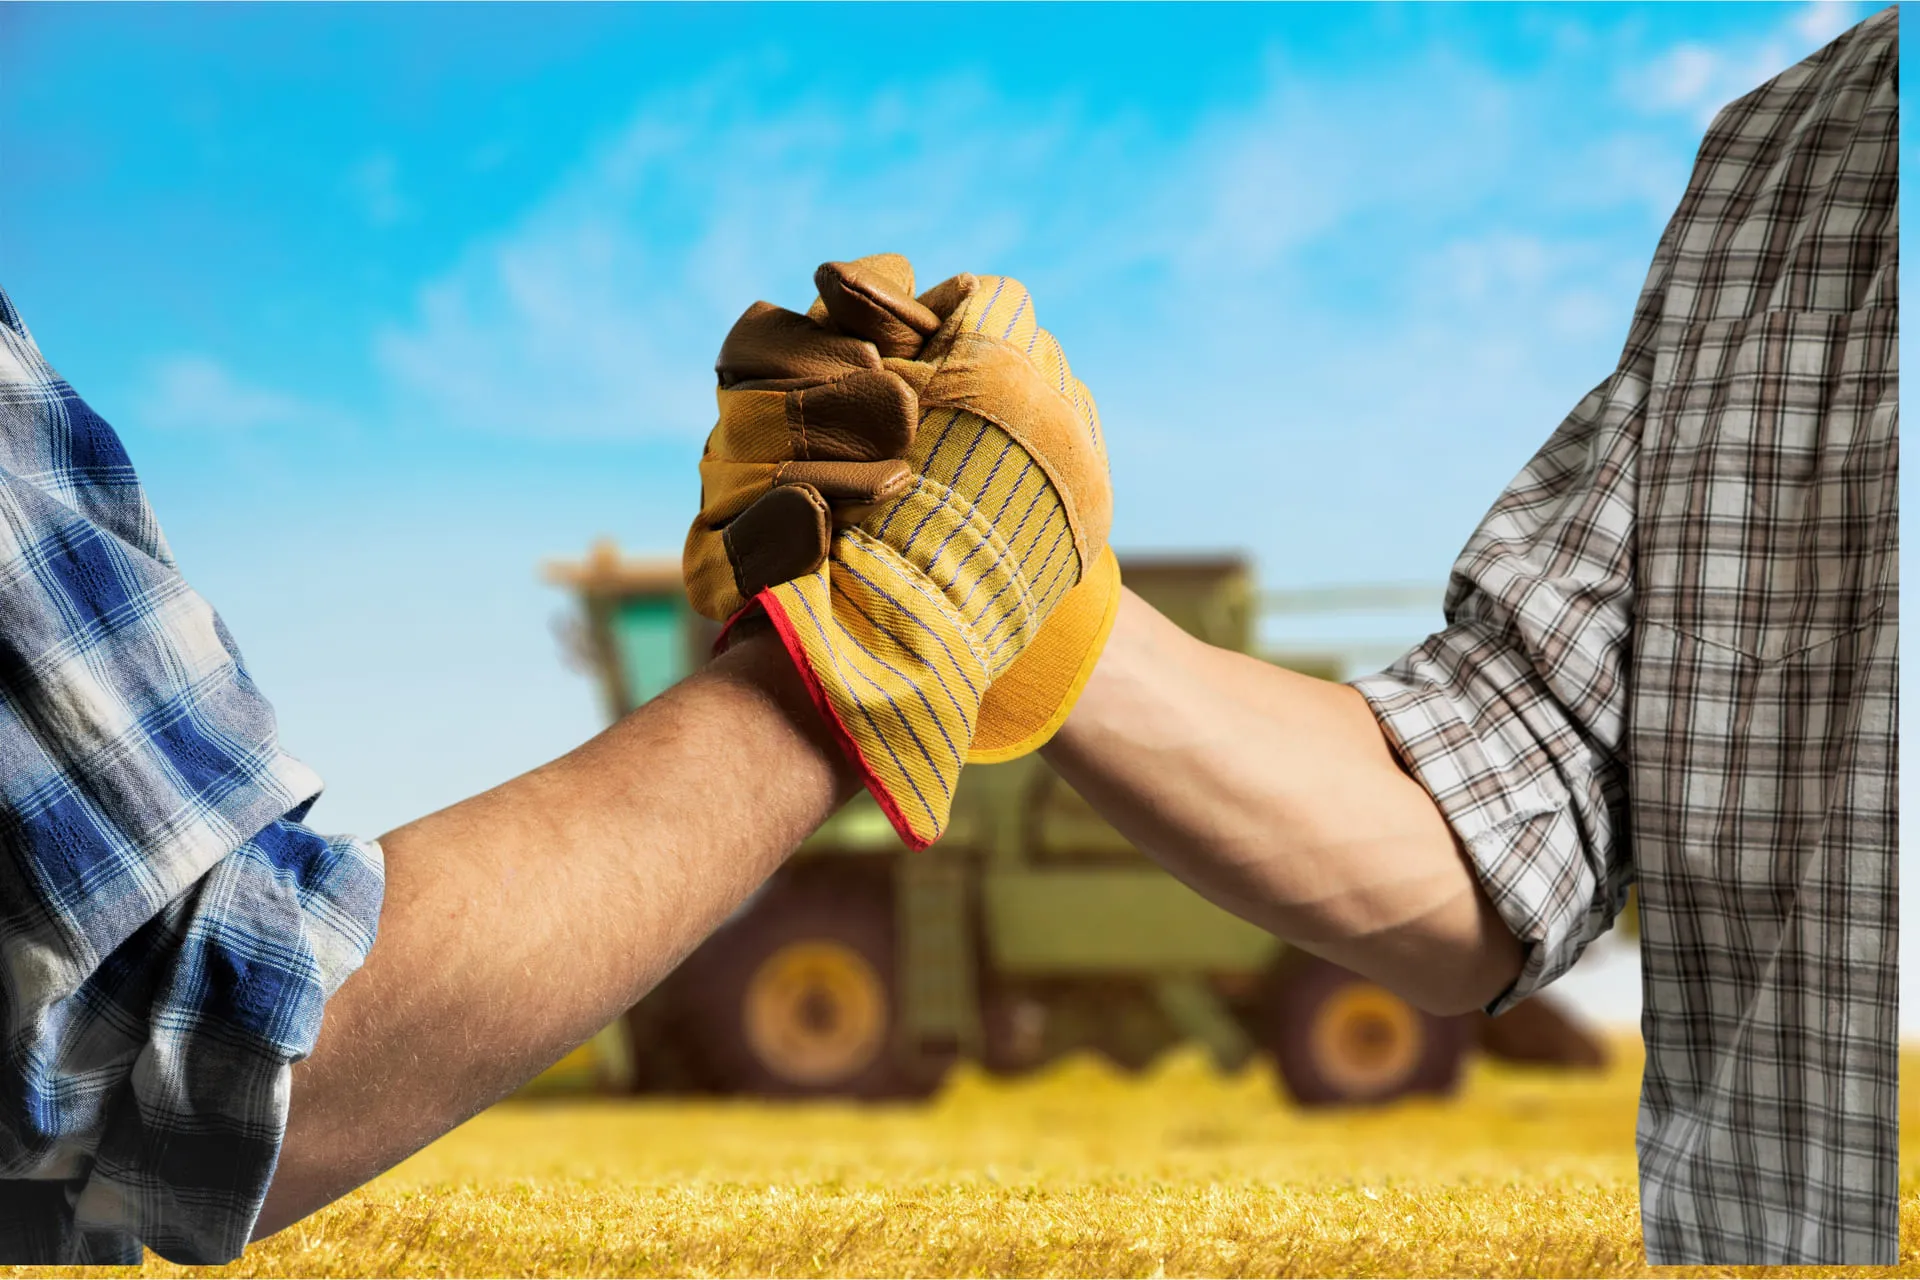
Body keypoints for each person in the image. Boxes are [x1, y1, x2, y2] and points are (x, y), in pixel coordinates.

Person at [0, 9, 1891, 1272]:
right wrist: (1001, 600)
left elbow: (161, 1038)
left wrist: (900, 616)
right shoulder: (1788, 186)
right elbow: (1530, 797)